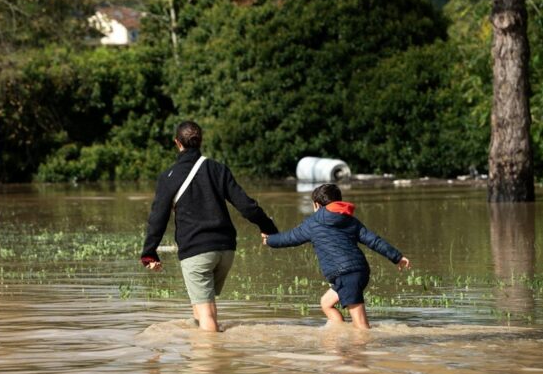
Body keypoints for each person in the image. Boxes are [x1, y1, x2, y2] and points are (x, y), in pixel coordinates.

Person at [141, 121, 278, 332]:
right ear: (200, 141)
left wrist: (149, 253)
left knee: (206, 314)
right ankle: (206, 355)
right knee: (202, 306)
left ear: (177, 143)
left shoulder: (169, 176)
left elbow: (158, 217)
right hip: (226, 250)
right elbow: (246, 205)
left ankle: (210, 360)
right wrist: (268, 227)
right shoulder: (217, 169)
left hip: (197, 251)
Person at [262, 183, 411, 329]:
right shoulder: (350, 220)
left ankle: (362, 351)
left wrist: (269, 240)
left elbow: (289, 238)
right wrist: (396, 257)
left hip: (346, 274)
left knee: (362, 327)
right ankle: (339, 335)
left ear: (316, 205)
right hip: (359, 271)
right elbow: (374, 241)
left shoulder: (313, 223)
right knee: (326, 303)